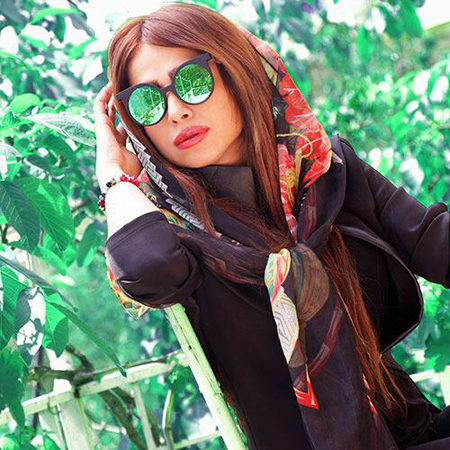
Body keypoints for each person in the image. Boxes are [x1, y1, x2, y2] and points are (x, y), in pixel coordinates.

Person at [93, 3, 450, 449]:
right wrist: (114, 175)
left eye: (192, 80)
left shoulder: (328, 172)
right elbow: (144, 267)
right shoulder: (177, 238)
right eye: (146, 101)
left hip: (415, 431)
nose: (175, 111)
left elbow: (437, 241)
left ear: (238, 71)